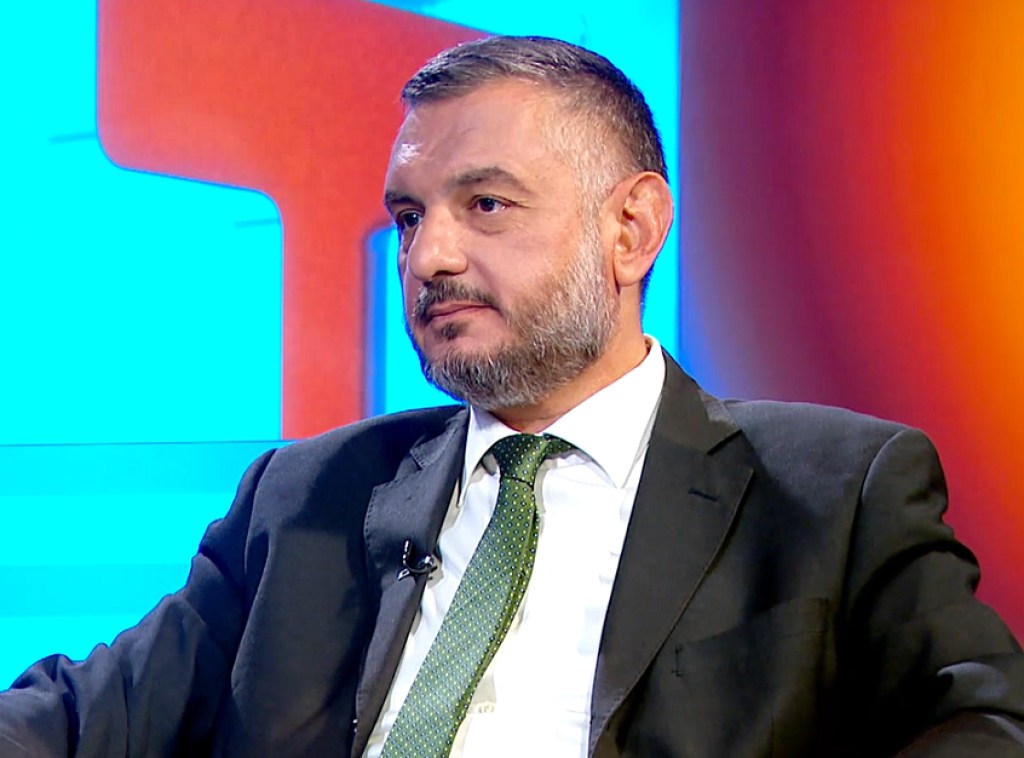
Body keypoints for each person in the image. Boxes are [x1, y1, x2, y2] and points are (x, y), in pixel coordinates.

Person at [2, 35, 1023, 758]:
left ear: (631, 230)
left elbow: (987, 724)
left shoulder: (831, 491)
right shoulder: (306, 498)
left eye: (485, 204)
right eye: (409, 216)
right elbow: (79, 720)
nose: (428, 256)